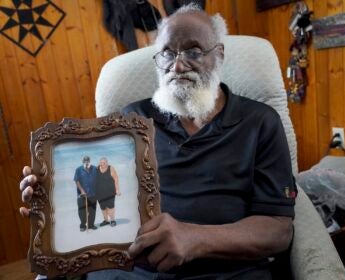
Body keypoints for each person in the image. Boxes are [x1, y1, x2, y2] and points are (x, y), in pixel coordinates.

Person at [20, 4, 297, 279]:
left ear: (219, 54)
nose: (177, 65)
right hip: (129, 270)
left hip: (224, 271)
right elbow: (99, 190)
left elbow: (278, 230)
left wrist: (195, 238)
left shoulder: (260, 122)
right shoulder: (131, 120)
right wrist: (52, 199)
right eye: (167, 52)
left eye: (193, 51)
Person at [73, 156, 98, 231]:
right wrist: (82, 190)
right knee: (82, 211)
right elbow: (76, 181)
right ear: (83, 162)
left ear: (89, 161)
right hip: (82, 195)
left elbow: (98, 179)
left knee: (92, 210)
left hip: (93, 194)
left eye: (87, 161)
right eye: (85, 161)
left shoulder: (94, 169)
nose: (86, 162)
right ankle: (83, 225)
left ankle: (91, 224)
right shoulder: (78, 169)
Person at [96, 157, 120, 227]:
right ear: (99, 163)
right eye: (101, 163)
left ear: (107, 163)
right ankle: (106, 220)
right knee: (103, 208)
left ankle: (112, 220)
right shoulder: (96, 169)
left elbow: (116, 179)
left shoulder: (111, 168)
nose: (102, 164)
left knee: (110, 207)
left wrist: (117, 190)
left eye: (104, 163)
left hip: (110, 192)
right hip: (99, 193)